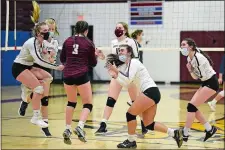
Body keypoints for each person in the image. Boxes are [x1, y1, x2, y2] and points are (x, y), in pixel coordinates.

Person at [106, 44, 183, 148]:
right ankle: (174, 133)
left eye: (122, 50)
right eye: (119, 51)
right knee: (149, 124)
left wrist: (116, 71)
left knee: (130, 114)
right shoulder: (127, 66)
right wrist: (115, 76)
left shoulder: (134, 62)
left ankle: (131, 140)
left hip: (150, 91)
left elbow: (128, 79)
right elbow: (127, 84)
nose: (120, 52)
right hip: (152, 92)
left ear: (129, 53)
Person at [11, 18, 64, 130]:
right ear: (39, 33)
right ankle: (35, 117)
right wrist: (57, 67)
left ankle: (29, 92)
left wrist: (51, 56)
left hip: (29, 67)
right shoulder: (32, 43)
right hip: (19, 68)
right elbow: (39, 61)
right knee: (39, 89)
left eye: (49, 30)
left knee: (48, 78)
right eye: (46, 30)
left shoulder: (42, 42)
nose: (48, 32)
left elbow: (48, 57)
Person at [95, 22, 147, 135]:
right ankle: (103, 124)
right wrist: (102, 56)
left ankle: (144, 124)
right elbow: (111, 59)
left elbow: (136, 59)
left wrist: (133, 74)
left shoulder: (131, 41)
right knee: (110, 100)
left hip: (129, 75)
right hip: (117, 73)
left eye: (120, 28)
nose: (117, 29)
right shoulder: (113, 42)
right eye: (116, 27)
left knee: (135, 102)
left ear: (125, 30)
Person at [18, 1, 60, 137]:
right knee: (33, 92)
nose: (51, 31)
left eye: (53, 29)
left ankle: (45, 126)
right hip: (33, 68)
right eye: (49, 28)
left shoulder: (54, 42)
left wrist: (52, 58)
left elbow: (51, 59)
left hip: (44, 69)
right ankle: (25, 100)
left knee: (44, 98)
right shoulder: (38, 41)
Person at [60, 20, 101, 144]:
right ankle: (80, 126)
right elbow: (93, 63)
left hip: (67, 75)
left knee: (71, 102)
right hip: (81, 75)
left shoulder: (67, 40)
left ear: (75, 29)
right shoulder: (89, 43)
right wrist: (96, 54)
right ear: (86, 30)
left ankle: (67, 129)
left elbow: (62, 59)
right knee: (88, 104)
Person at [180, 38, 218, 142]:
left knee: (191, 106)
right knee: (192, 106)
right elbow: (195, 77)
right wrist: (190, 69)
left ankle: (185, 132)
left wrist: (191, 69)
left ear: (191, 47)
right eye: (181, 45)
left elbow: (199, 76)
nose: (182, 47)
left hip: (212, 82)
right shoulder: (189, 58)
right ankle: (209, 129)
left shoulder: (198, 58)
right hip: (206, 82)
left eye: (184, 45)